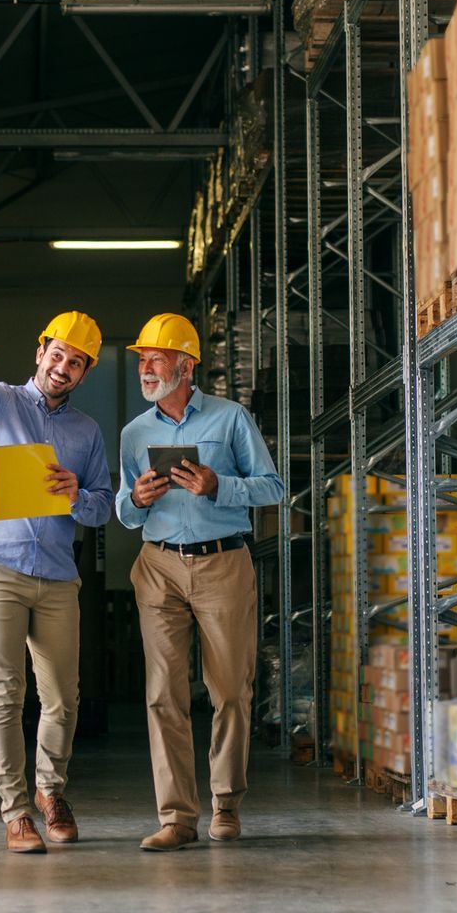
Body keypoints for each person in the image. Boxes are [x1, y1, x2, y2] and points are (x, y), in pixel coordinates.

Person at [116, 313, 284, 852]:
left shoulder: (232, 419)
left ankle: (226, 803)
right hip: (158, 565)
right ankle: (177, 817)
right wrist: (135, 500)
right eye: (142, 361)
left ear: (186, 365)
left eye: (156, 359)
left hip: (222, 564)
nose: (146, 369)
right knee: (163, 693)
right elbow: (125, 511)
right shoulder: (133, 433)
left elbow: (272, 487)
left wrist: (219, 486)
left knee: (230, 688)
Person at [0, 311, 115, 854]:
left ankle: (51, 792)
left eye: (76, 362)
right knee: (4, 692)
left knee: (63, 696)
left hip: (57, 576)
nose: (63, 367)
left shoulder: (86, 433)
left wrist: (75, 495)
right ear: (40, 351)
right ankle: (16, 811)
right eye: (58, 354)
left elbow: (101, 509)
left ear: (84, 373)